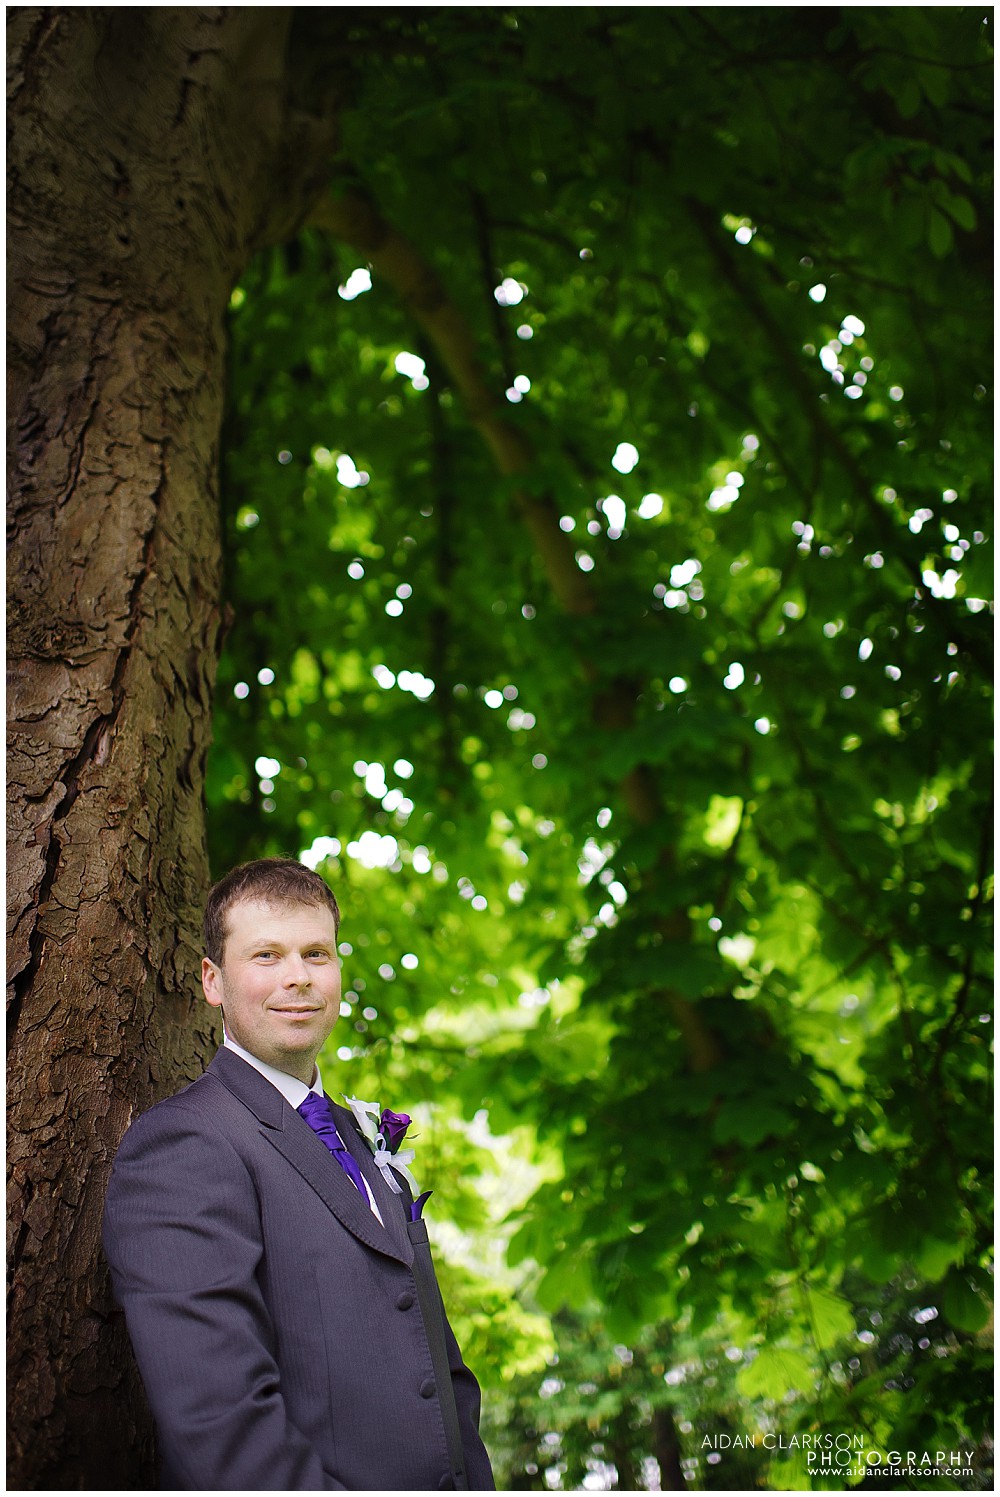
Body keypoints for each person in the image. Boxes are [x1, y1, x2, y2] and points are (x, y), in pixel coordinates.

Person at [103, 857, 495, 1491]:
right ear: (212, 981)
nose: (299, 977)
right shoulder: (183, 1146)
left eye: (317, 954)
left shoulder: (361, 1140)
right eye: (267, 956)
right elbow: (219, 1424)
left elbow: (442, 1374)